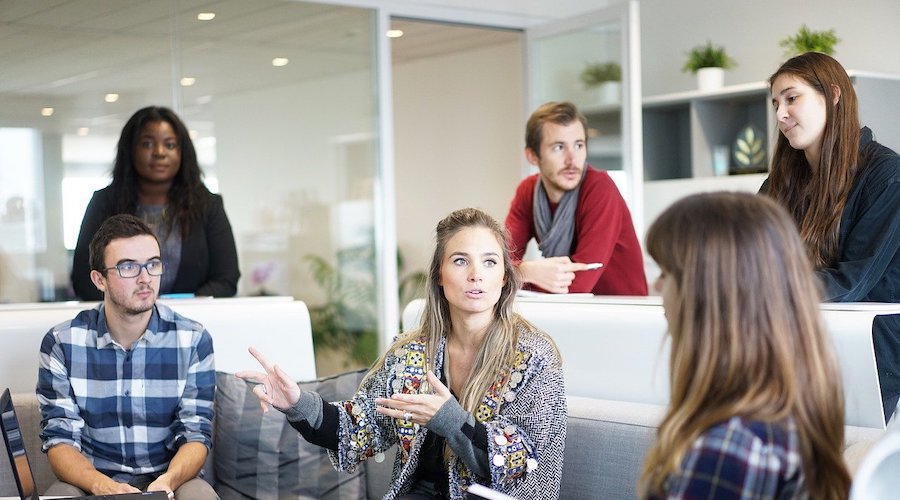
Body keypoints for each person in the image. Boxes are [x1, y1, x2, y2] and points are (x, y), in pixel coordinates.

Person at [237, 208, 566, 500]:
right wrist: (297, 404)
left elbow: (519, 462)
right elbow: (361, 427)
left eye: (490, 262)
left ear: (504, 276)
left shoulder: (534, 356)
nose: (476, 274)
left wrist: (451, 420)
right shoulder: (410, 354)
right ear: (440, 274)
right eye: (460, 260)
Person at [638, 192, 850, 500]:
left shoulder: (728, 448)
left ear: (707, 294)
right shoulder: (780, 416)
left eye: (666, 273)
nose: (657, 287)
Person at [761, 52, 900, 421]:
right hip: (797, 341)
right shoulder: (778, 184)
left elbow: (852, 281)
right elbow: (750, 258)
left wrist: (761, 289)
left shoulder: (887, 175)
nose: (780, 114)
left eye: (792, 98)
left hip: (871, 352)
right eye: (776, 103)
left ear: (833, 95)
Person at [38, 214, 217, 500]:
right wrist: (102, 486)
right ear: (99, 279)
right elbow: (60, 440)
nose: (145, 278)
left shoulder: (193, 339)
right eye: (128, 267)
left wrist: (168, 481)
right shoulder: (62, 342)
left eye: (153, 264)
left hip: (172, 480)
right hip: (92, 482)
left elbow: (196, 434)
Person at [71, 105, 240, 301]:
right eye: (147, 144)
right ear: (130, 150)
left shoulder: (208, 206)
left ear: (182, 152)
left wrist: (176, 309)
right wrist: (136, 307)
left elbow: (226, 279)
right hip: (122, 325)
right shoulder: (104, 203)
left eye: (170, 145)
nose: (160, 152)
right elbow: (84, 280)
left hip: (191, 322)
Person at [505, 101, 647, 295]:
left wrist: (517, 274)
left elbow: (578, 284)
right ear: (532, 156)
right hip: (569, 311)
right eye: (558, 147)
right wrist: (527, 271)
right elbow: (497, 262)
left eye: (579, 145)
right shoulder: (527, 191)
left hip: (620, 313)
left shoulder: (600, 188)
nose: (572, 160)